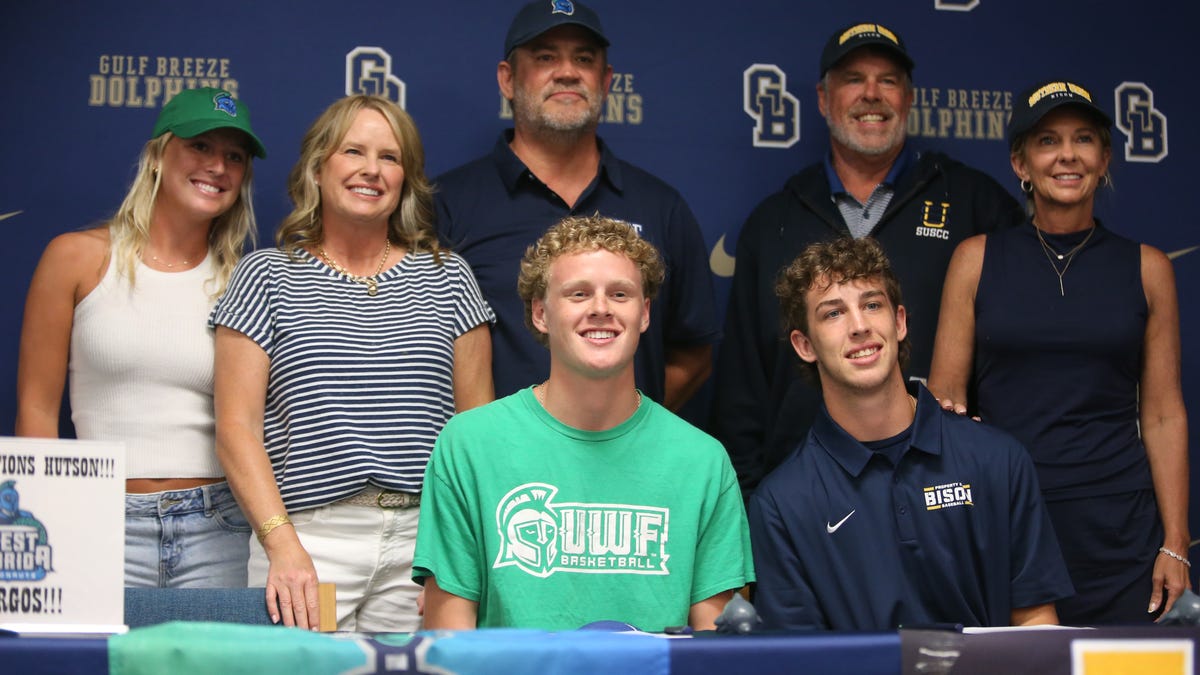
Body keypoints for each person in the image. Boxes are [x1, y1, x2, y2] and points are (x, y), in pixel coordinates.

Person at [211, 94, 494, 631]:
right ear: (318, 168)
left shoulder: (449, 278)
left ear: (406, 178)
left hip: (424, 546)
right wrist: (282, 544)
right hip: (309, 540)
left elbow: (475, 433)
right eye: (353, 152)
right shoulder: (265, 275)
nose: (371, 169)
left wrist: (458, 555)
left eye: (389, 157)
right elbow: (236, 429)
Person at [711, 22, 1024, 495]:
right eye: (854, 79)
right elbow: (742, 388)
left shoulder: (974, 203)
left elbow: (1022, 353)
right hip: (803, 494)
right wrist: (748, 503)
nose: (871, 94)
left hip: (944, 487)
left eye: (889, 81)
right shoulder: (774, 220)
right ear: (823, 98)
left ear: (909, 98)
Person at [928, 79, 1190, 624]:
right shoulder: (975, 260)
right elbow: (943, 407)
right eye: (1048, 141)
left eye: (1083, 139)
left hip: (1120, 529)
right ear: (1020, 164)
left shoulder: (1149, 268)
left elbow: (1163, 414)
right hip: (1008, 519)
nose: (1067, 154)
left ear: (1104, 158)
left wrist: (1175, 543)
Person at [414, 215, 753, 631]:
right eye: (578, 293)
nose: (600, 309)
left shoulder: (702, 461)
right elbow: (450, 646)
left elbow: (717, 652)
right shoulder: (469, 446)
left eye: (620, 293)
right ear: (540, 313)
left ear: (645, 314)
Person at [747, 237, 1072, 631]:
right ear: (804, 345)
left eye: (872, 304)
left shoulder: (997, 460)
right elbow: (801, 660)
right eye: (833, 314)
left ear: (899, 321)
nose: (860, 326)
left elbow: (1036, 624)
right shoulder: (781, 504)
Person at [16, 87, 265, 588]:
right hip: (97, 515)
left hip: (219, 526)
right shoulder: (74, 258)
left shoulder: (245, 279)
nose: (218, 166)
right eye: (200, 146)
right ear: (157, 155)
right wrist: (45, 519)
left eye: (234, 156)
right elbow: (37, 411)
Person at [434, 0, 718, 411]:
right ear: (508, 79)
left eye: (583, 59)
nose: (567, 71)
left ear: (605, 81)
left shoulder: (660, 205)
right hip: (499, 468)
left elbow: (692, 356)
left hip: (626, 468)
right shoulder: (447, 205)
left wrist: (613, 432)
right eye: (545, 57)